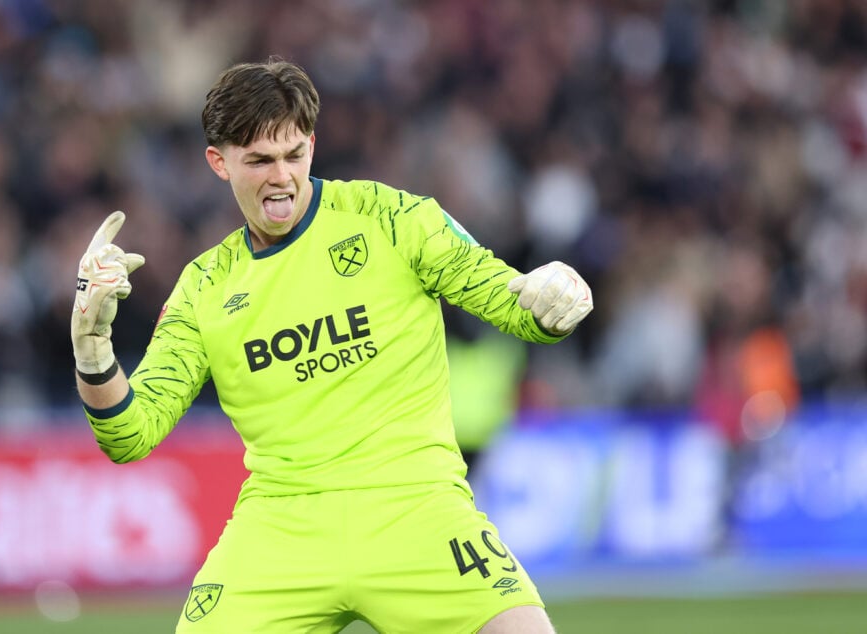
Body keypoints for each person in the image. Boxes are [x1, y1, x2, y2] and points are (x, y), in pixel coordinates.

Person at [70, 58, 593, 633]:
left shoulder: (394, 219)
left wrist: (553, 297)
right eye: (260, 161)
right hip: (280, 529)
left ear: (313, 146)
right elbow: (129, 434)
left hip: (416, 506)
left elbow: (506, 297)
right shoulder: (204, 288)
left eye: (294, 155)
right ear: (219, 163)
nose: (282, 177)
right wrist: (93, 350)